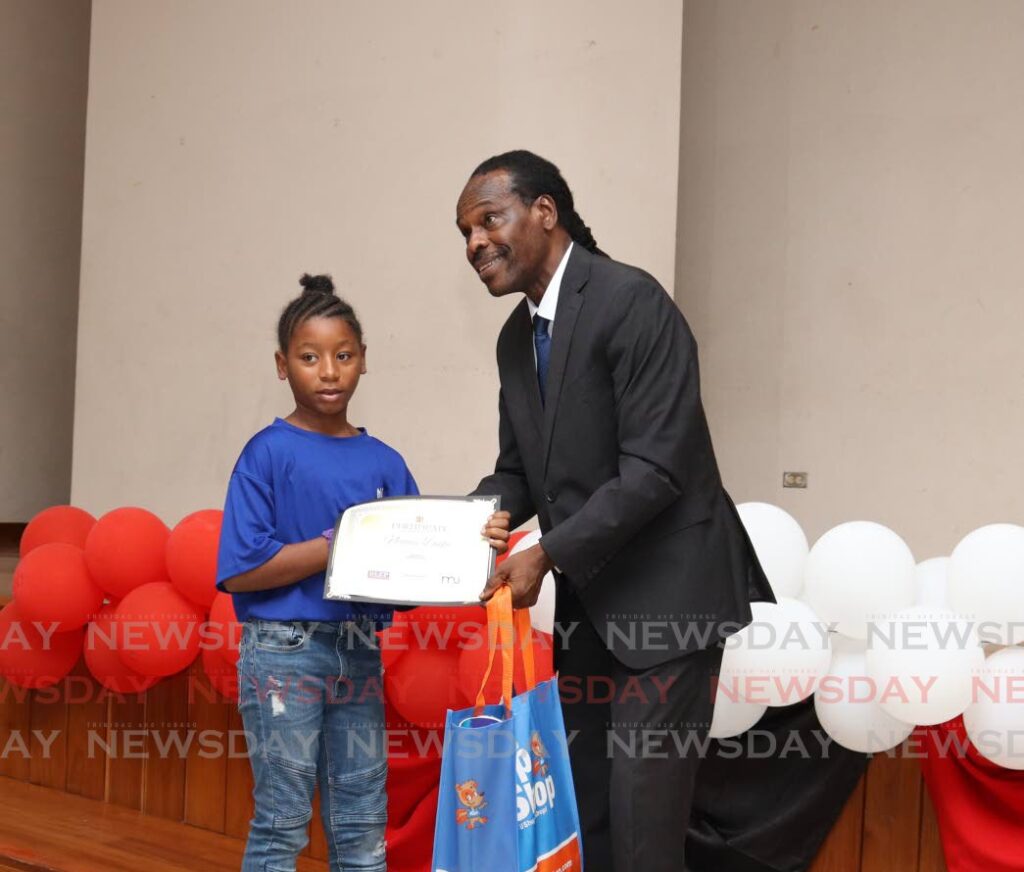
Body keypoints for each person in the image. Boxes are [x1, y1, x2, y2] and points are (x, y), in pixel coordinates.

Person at [456, 151, 774, 872]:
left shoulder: (631, 301)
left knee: (643, 826)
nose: (474, 244)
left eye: (488, 219)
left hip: (671, 606)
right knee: (588, 813)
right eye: (464, 232)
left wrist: (546, 554)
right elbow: (520, 473)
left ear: (545, 212)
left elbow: (658, 469)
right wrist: (456, 528)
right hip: (593, 616)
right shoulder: (516, 338)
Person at [216, 273, 510, 872]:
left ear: (363, 362)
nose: (328, 371)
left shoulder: (384, 461)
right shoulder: (265, 454)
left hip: (358, 651)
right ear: (282, 365)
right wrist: (340, 542)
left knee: (362, 823)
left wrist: (477, 553)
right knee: (281, 820)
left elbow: (415, 568)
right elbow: (243, 570)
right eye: (309, 357)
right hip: (283, 654)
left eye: (343, 355)